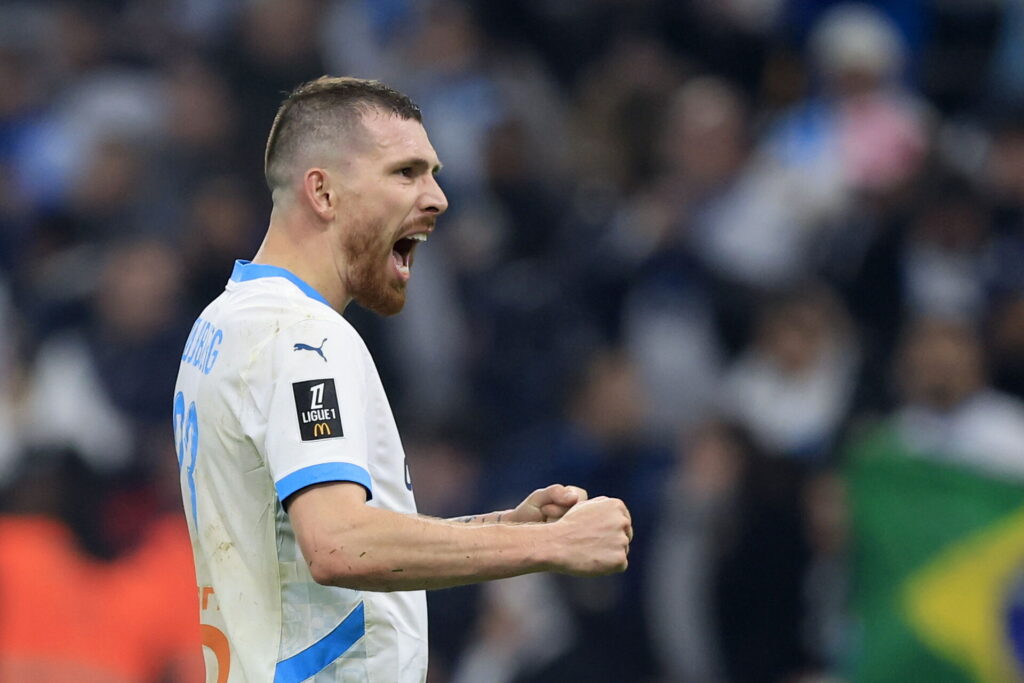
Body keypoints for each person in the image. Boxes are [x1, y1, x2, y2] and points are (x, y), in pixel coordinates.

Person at [172, 76, 632, 683]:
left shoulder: (223, 323)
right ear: (324, 193)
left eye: (434, 173)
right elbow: (337, 544)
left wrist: (501, 529)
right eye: (406, 173)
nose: (438, 197)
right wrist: (554, 547)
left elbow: (299, 539)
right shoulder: (304, 340)